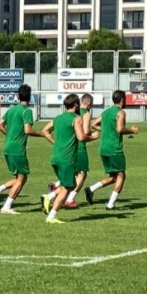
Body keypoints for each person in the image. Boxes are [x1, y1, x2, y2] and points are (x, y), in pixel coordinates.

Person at [0, 84, 45, 215]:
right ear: (30, 97)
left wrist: (10, 134)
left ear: (17, 96)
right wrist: (42, 134)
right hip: (17, 149)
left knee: (19, 177)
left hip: (7, 147)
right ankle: (6, 206)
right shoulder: (27, 111)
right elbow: (28, 130)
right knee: (22, 179)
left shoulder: (12, 110)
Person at [40, 94, 94, 224]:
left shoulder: (58, 118)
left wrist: (55, 143)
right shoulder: (76, 118)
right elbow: (81, 137)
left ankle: (50, 197)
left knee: (70, 184)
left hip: (55, 157)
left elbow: (45, 131)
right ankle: (51, 215)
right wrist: (94, 136)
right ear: (76, 104)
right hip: (67, 158)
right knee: (67, 187)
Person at [85, 90, 139, 210]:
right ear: (122, 100)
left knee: (114, 177)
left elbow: (94, 125)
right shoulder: (120, 112)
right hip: (114, 149)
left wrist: (106, 130)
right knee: (121, 175)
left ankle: (91, 189)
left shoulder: (106, 112)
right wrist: (132, 131)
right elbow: (120, 129)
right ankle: (110, 204)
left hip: (103, 148)